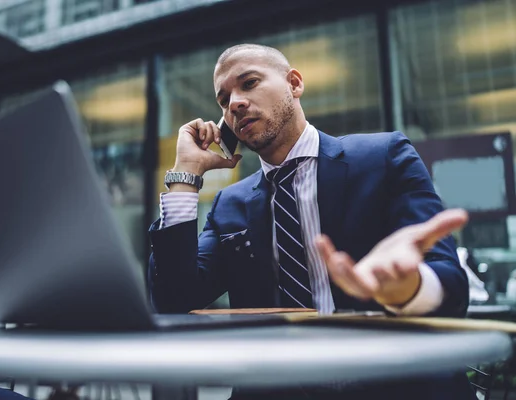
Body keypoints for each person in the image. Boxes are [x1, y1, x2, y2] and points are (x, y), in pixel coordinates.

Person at [148, 44, 473, 399]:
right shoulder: (231, 204)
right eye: (223, 101)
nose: (235, 104)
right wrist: (185, 175)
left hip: (396, 386)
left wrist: (408, 288)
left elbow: (451, 285)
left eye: (250, 83)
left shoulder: (384, 157)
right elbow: (173, 299)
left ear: (294, 83)